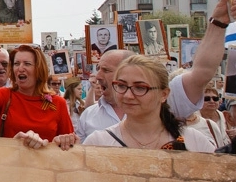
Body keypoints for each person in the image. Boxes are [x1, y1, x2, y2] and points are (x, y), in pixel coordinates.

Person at [78, 0, 236, 141]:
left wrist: (218, 23)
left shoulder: (168, 101)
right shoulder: (91, 123)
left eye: (140, 88)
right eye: (121, 86)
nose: (97, 76)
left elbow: (202, 72)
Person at [83, 55, 216, 151]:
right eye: (122, 86)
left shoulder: (194, 141)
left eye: (140, 88)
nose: (128, 95)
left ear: (164, 94)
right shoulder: (98, 142)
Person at [0, 44, 75, 149]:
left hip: (46, 160)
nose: (20, 68)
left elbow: (70, 143)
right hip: (9, 158)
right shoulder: (6, 95)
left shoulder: (58, 103)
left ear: (39, 69)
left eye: (27, 64)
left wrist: (61, 141)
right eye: (16, 64)